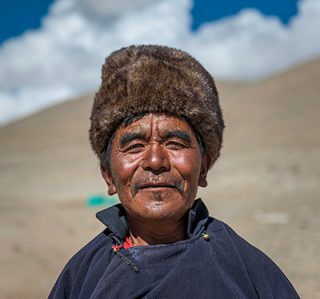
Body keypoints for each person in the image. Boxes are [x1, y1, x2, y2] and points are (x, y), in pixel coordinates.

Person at [49, 45, 299, 298]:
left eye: (175, 144)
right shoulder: (80, 276)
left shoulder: (250, 273)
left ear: (204, 168)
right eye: (135, 146)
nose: (156, 161)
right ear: (108, 175)